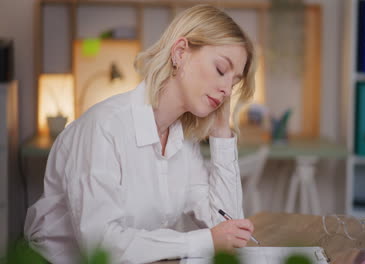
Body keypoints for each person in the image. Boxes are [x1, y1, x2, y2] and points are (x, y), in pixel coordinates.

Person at [24, 4, 257, 263]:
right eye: (221, 70)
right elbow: (101, 246)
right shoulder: (104, 127)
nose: (226, 89)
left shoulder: (183, 142)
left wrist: (221, 131)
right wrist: (204, 241)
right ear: (180, 53)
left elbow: (229, 226)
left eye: (234, 82)